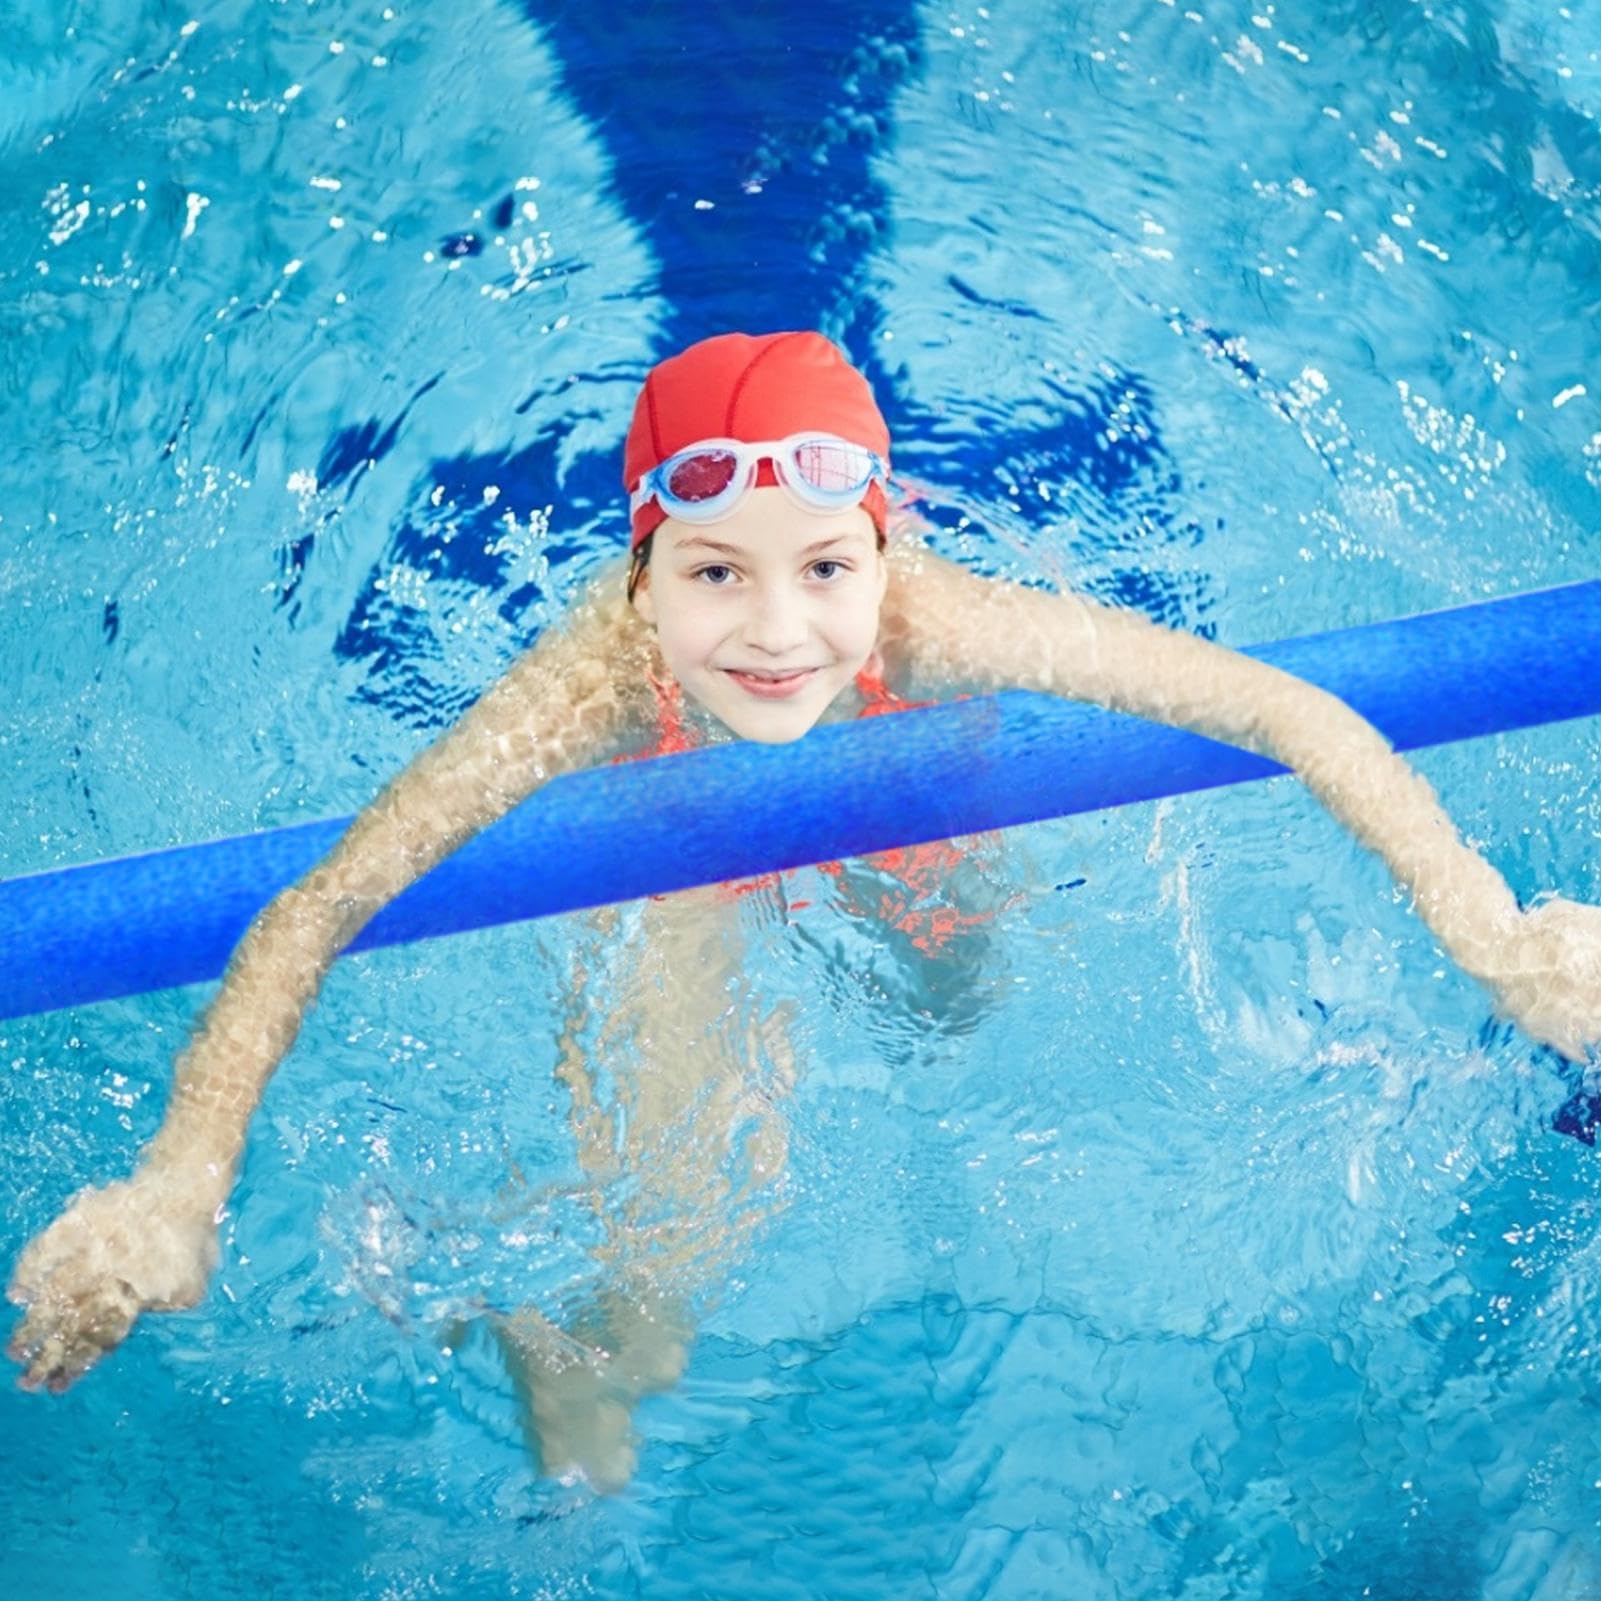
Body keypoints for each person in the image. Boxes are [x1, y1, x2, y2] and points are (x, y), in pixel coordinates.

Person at [9, 330, 1601, 1491]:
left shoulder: (939, 621)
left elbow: (1281, 708)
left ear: (881, 549)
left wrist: (1491, 934)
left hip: (906, 800)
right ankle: (542, 1337)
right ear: (644, 573)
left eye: (825, 568)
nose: (778, 632)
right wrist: (178, 1182)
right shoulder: (592, 681)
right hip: (675, 842)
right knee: (670, 1267)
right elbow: (321, 902)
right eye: (716, 574)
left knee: (954, 1002)